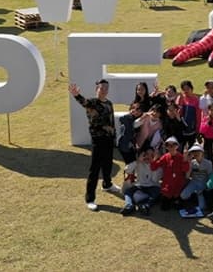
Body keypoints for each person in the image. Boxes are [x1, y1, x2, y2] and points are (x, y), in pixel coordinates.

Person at [69, 80, 117, 211]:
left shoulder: (109, 103)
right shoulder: (93, 103)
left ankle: (107, 184)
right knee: (94, 169)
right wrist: (76, 95)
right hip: (98, 140)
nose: (104, 90)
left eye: (106, 88)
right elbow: (84, 102)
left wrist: (114, 137)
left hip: (108, 139)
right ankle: (90, 199)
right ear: (97, 89)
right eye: (102, 88)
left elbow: (112, 122)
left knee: (108, 163)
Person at [150, 137, 189, 210]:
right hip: (167, 187)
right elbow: (153, 167)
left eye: (173, 145)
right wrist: (155, 158)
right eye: (168, 145)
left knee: (177, 207)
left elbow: (185, 169)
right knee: (164, 208)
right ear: (166, 147)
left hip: (178, 186)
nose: (171, 148)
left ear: (177, 146)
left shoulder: (181, 157)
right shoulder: (165, 157)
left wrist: (185, 159)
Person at [121, 147, 162, 215]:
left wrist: (153, 164)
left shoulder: (158, 165)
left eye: (151, 154)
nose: (148, 156)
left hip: (152, 187)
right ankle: (129, 205)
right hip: (140, 186)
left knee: (157, 193)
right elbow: (127, 170)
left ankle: (146, 205)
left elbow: (155, 179)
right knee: (128, 191)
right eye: (146, 154)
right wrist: (137, 161)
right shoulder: (139, 163)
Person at [179, 144, 212, 218]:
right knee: (183, 196)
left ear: (202, 153)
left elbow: (210, 177)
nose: (196, 153)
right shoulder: (192, 162)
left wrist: (204, 189)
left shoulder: (208, 163)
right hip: (193, 182)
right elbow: (187, 176)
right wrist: (189, 164)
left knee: (202, 207)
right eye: (194, 152)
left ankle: (198, 196)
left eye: (198, 151)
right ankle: (194, 196)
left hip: (203, 183)